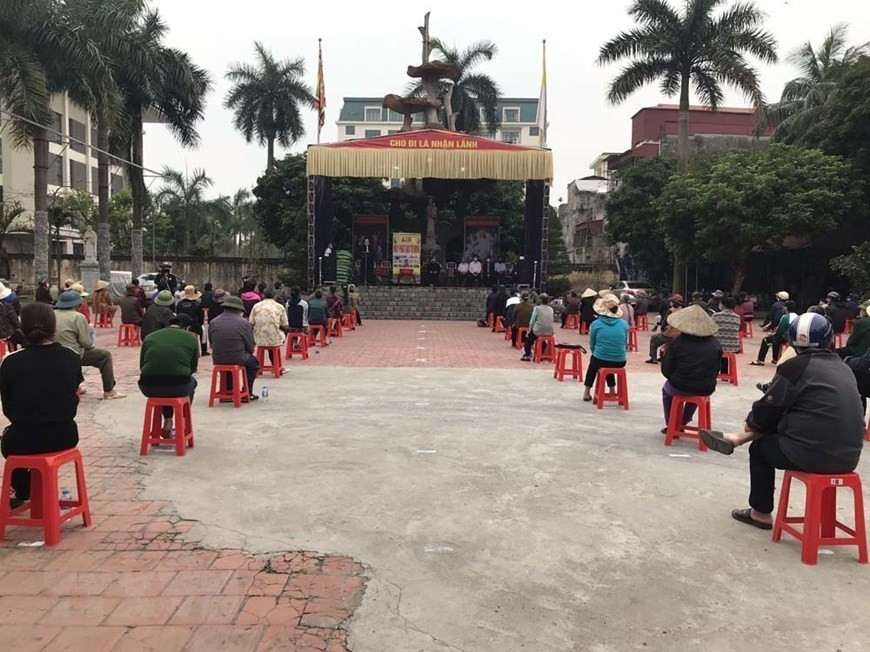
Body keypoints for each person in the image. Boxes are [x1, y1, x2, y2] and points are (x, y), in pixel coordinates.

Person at [701, 312, 864, 530]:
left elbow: (767, 411)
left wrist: (752, 422)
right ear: (830, 339)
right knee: (787, 420)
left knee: (760, 449)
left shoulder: (796, 367)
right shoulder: (844, 368)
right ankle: (736, 439)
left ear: (793, 340)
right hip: (849, 456)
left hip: (813, 455)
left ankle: (760, 513)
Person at [1, 302, 83, 508]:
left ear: (22, 329)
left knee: (10, 441)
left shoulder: (10, 362)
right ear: (54, 328)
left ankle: (22, 489)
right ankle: (25, 489)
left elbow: (8, 407)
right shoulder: (71, 358)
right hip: (64, 435)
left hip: (22, 438)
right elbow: (74, 397)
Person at [53, 290, 125, 399]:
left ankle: (76, 387)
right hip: (73, 354)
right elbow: (86, 342)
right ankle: (109, 391)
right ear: (77, 304)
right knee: (105, 356)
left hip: (54, 352)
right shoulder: (78, 316)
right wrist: (90, 346)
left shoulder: (52, 314)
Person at [660, 305, 722, 431]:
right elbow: (717, 369)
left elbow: (666, 369)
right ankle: (683, 421)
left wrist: (675, 377)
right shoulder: (715, 344)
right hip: (706, 387)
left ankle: (671, 425)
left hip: (680, 385)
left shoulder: (677, 342)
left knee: (667, 391)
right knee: (696, 392)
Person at [138, 313, 199, 437]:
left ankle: (167, 420)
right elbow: (192, 368)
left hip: (148, 386)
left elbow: (142, 365)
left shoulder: (150, 337)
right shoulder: (190, 337)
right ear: (186, 327)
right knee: (189, 382)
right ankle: (182, 420)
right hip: (179, 386)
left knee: (164, 384)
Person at [209, 296, 258, 400]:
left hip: (218, 358)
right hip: (238, 357)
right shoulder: (244, 323)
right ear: (239, 310)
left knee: (228, 362)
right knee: (253, 363)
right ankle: (247, 391)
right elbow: (250, 346)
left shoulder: (213, 322)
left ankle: (228, 390)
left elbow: (212, 343)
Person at [583, 294, 629, 401]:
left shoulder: (596, 324)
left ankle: (586, 391)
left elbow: (592, 344)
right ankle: (612, 389)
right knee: (609, 360)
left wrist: (598, 352)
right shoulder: (624, 324)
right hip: (620, 360)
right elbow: (624, 343)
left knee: (595, 364)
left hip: (600, 358)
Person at [250, 287, 288, 369]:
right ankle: (276, 366)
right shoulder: (279, 307)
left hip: (258, 338)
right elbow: (285, 324)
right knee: (280, 332)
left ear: (263, 295)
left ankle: (263, 366)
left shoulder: (256, 306)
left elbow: (251, 323)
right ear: (274, 296)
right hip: (274, 338)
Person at [751, 300, 798, 366]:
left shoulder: (786, 317)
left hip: (786, 337)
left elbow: (780, 330)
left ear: (786, 308)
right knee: (775, 340)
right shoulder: (797, 316)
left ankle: (760, 360)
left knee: (766, 340)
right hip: (792, 337)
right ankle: (775, 359)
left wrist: (773, 333)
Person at [646, 294, 683, 363]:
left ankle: (653, 358)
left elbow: (665, 322)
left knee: (654, 338)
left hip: (669, 334)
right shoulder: (683, 310)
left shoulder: (671, 310)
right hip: (680, 334)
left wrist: (662, 330)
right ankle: (662, 355)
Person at [176, 285, 208, 356]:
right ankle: (203, 350)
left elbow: (178, 314)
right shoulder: (197, 304)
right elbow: (201, 317)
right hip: (194, 326)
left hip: (181, 325)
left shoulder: (179, 304)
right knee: (203, 332)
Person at [712, 297, 742, 372]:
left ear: (723, 305)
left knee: (715, 347)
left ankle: (714, 371)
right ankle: (724, 372)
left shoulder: (716, 316)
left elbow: (710, 328)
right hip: (733, 346)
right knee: (724, 348)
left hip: (717, 345)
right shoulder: (737, 317)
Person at [521, 294, 554, 362]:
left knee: (528, 340)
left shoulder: (537, 308)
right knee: (542, 341)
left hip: (538, 330)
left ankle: (527, 355)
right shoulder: (551, 309)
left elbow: (532, 321)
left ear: (540, 300)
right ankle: (541, 354)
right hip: (550, 331)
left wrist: (529, 331)